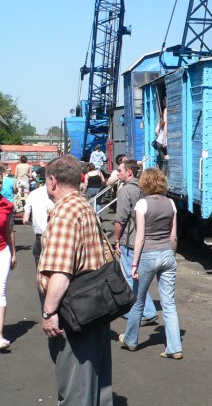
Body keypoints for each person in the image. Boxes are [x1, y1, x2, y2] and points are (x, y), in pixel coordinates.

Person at [39, 155, 112, 405]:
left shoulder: (64, 213)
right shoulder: (84, 206)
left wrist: (49, 313)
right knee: (97, 383)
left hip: (74, 312)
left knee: (75, 388)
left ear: (52, 181)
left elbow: (60, 272)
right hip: (95, 305)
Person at [119, 167, 182, 359]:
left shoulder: (142, 204)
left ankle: (131, 339)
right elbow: (173, 236)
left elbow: (140, 237)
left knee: (138, 300)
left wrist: (134, 263)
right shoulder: (171, 203)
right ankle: (174, 347)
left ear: (145, 183)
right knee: (169, 303)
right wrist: (171, 254)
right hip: (167, 254)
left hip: (147, 255)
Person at [112, 159, 157, 324]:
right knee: (139, 276)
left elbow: (121, 219)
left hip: (130, 240)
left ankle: (147, 311)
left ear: (129, 172)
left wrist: (116, 239)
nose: (118, 173)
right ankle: (141, 310)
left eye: (120, 171)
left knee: (131, 277)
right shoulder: (145, 189)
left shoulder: (125, 191)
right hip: (146, 239)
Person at [23, 184, 55, 305]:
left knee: (41, 275)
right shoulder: (58, 193)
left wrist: (33, 223)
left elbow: (25, 219)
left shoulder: (34, 193)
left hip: (40, 238)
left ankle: (45, 307)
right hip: (55, 235)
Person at [0, 190, 16, 350]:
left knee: (1, 290)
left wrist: (13, 253)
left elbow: (8, 231)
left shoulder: (7, 205)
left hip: (2, 251)